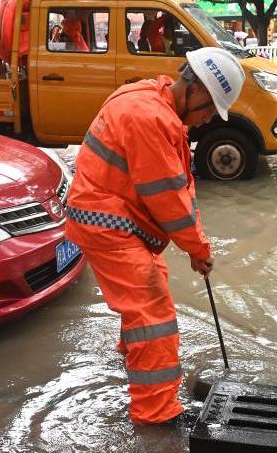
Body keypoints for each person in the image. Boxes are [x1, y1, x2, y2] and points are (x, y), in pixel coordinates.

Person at [65, 47, 244, 426]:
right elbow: (168, 200)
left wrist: (197, 244)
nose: (207, 119)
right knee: (154, 314)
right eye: (209, 110)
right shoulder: (149, 117)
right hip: (107, 220)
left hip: (117, 216)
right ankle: (156, 417)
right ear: (195, 90)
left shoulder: (156, 102)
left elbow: (181, 188)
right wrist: (197, 249)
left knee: (152, 283)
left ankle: (132, 354)